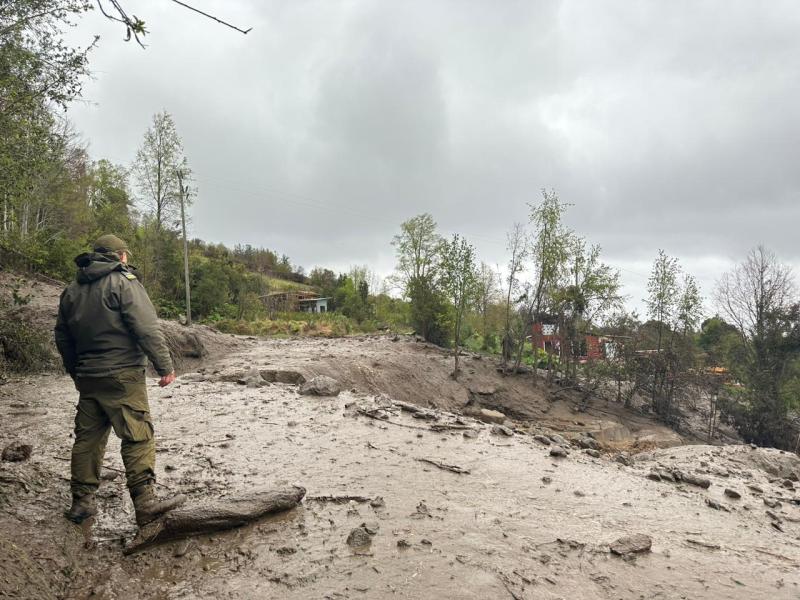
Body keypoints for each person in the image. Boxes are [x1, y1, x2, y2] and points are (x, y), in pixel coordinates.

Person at [54, 234, 185, 526]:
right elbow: (147, 328)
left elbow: (62, 336)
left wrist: (77, 371)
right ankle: (146, 504)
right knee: (138, 435)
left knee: (87, 439)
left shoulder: (72, 289)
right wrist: (165, 367)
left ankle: (82, 504)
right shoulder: (124, 283)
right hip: (123, 375)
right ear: (121, 256)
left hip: (89, 377)